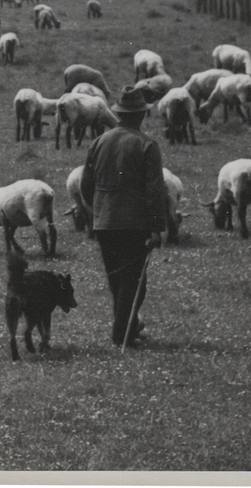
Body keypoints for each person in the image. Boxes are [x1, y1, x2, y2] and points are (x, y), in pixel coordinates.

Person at [80, 85, 166, 348]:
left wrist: (96, 213)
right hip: (134, 223)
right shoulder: (147, 145)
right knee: (134, 281)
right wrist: (156, 227)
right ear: (140, 115)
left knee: (116, 279)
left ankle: (127, 327)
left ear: (119, 114)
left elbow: (86, 184)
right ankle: (123, 335)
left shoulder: (99, 141)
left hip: (105, 222)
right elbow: (154, 190)